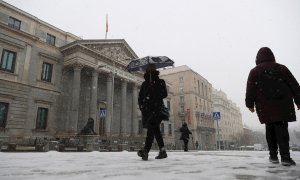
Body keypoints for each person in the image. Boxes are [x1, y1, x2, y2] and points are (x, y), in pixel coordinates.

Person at [245, 47, 300, 166]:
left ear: (258, 58)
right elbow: (294, 85)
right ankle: (285, 158)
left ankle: (273, 156)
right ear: (272, 56)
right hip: (282, 105)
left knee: (269, 130)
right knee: (282, 130)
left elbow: (250, 89)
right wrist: (298, 100)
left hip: (265, 107)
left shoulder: (255, 71)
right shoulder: (281, 68)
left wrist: (250, 104)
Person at [137, 64, 168, 160]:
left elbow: (164, 94)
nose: (150, 70)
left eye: (152, 68)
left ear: (155, 69)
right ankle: (162, 151)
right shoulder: (144, 84)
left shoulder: (160, 82)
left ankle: (146, 151)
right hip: (148, 111)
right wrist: (142, 106)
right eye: (148, 69)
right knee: (154, 130)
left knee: (152, 130)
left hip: (157, 110)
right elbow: (140, 98)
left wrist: (154, 90)